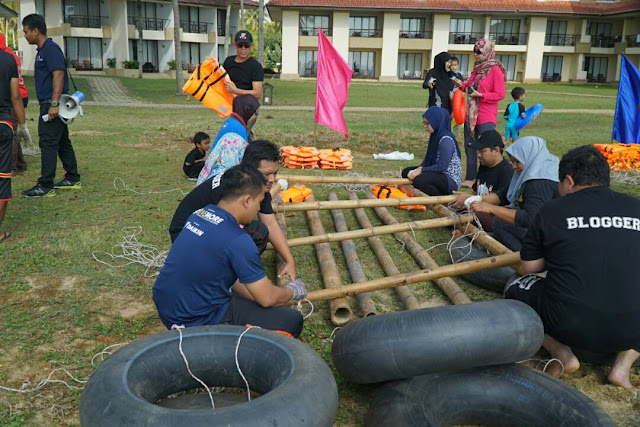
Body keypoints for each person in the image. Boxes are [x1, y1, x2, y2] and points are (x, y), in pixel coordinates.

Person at [505, 145, 640, 388]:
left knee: (515, 285)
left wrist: (559, 254)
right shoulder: (636, 207)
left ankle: (562, 353)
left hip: (570, 325)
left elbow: (529, 266)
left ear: (568, 181)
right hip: (632, 328)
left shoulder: (553, 210)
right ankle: (623, 366)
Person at [154, 165, 305, 337]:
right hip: (195, 320)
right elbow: (268, 298)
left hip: (167, 306)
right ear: (247, 200)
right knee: (291, 320)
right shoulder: (238, 240)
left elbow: (234, 282)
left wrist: (257, 293)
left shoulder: (201, 214)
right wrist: (293, 291)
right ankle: (217, 344)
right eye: (258, 202)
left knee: (246, 295)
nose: (258, 209)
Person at [170, 139, 297, 280]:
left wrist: (289, 260)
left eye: (275, 173)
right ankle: (227, 275)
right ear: (250, 169)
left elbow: (270, 223)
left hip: (200, 232)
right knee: (256, 233)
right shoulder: (231, 189)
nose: (272, 179)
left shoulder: (254, 182)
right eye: (267, 174)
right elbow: (225, 234)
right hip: (184, 234)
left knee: (254, 230)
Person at [22, 14, 81, 197]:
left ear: (36, 31)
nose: (25, 35)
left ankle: (45, 185)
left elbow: (59, 75)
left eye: (26, 32)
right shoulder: (42, 50)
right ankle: (72, 177)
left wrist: (54, 104)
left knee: (47, 143)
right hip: (51, 103)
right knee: (62, 140)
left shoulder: (50, 49)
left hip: (52, 104)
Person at [469, 136, 559, 251]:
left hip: (550, 234)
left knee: (499, 222)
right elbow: (504, 195)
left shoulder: (538, 182)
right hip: (550, 227)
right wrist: (477, 199)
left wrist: (491, 208)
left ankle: (523, 259)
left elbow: (529, 218)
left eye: (517, 161)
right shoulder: (540, 169)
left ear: (529, 157)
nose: (513, 166)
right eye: (512, 161)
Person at [461, 38, 506, 188]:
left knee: (486, 148)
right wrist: (461, 85)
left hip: (486, 115)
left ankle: (486, 178)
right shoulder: (477, 68)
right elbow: (469, 85)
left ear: (486, 52)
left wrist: (482, 96)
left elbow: (500, 94)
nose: (475, 54)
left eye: (478, 52)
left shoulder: (495, 69)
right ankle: (471, 177)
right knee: (470, 145)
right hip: (471, 114)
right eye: (474, 51)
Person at [450, 129, 513, 231]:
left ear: (496, 150)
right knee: (452, 207)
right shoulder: (484, 165)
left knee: (479, 217)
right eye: (478, 151)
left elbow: (504, 204)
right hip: (476, 208)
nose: (478, 155)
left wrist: (472, 200)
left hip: (492, 215)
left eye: (482, 151)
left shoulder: (507, 171)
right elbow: (475, 191)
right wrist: (466, 201)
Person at [197, 94, 259, 185]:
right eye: (255, 113)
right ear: (247, 111)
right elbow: (232, 166)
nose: (256, 117)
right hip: (219, 176)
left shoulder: (232, 121)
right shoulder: (238, 130)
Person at [0, 42, 28, 242]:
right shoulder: (8, 59)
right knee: (2, 176)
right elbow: (15, 96)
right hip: (3, 123)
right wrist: (23, 124)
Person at [401, 106, 462, 196]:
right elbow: (428, 159)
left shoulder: (446, 140)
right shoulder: (435, 136)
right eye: (424, 123)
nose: (425, 126)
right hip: (437, 173)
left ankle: (441, 198)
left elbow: (442, 166)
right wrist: (418, 169)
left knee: (419, 180)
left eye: (427, 123)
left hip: (448, 178)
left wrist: (421, 170)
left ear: (436, 122)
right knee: (406, 172)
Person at [0, 32, 31, 174]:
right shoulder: (10, 55)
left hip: (15, 97)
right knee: (12, 131)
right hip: (19, 95)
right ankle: (20, 163)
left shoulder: (6, 57)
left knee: (10, 133)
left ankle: (10, 166)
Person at [224, 30, 263, 139]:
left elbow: (257, 93)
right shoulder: (228, 62)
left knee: (241, 136)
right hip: (230, 107)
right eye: (240, 45)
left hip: (248, 109)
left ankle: (251, 154)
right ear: (235, 45)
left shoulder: (255, 66)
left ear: (252, 46)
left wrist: (235, 90)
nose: (243, 49)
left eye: (246, 45)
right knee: (232, 135)